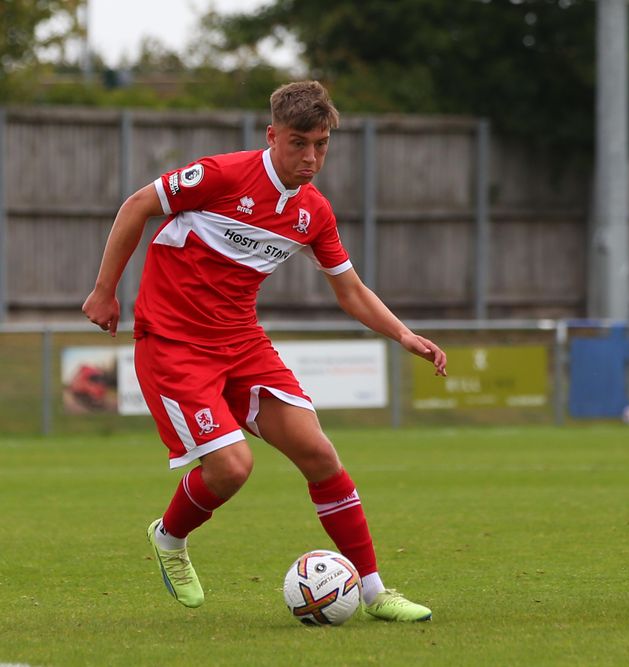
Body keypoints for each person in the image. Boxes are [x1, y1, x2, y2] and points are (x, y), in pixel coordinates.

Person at [83, 81, 447, 622]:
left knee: (320, 454)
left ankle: (373, 592)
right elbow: (137, 205)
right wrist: (105, 289)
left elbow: (349, 289)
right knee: (232, 468)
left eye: (321, 144)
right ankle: (169, 538)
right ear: (272, 135)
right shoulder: (220, 175)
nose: (311, 157)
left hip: (242, 344)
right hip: (175, 344)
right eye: (300, 142)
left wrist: (403, 334)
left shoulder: (314, 212)